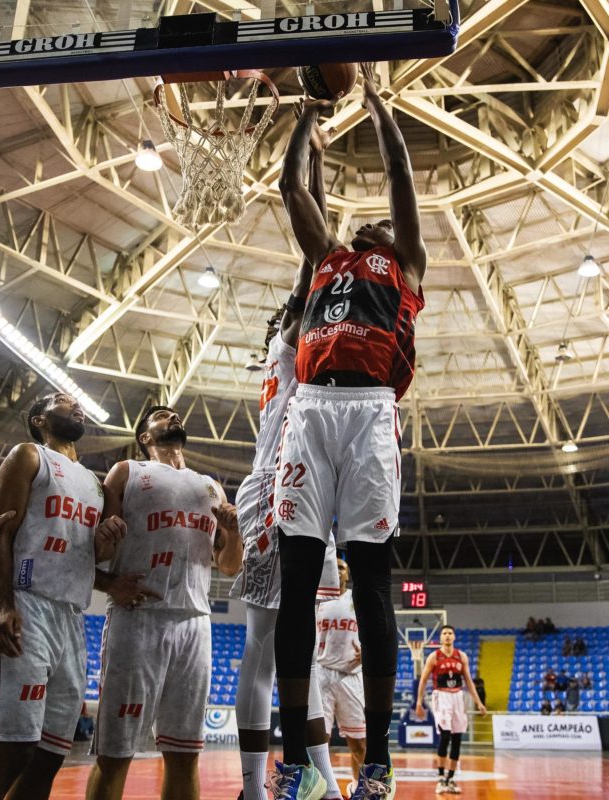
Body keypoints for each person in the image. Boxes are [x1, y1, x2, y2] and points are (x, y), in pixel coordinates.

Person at [273, 60, 426, 799]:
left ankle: (378, 763)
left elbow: (399, 172)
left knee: (370, 582)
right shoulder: (326, 259)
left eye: (381, 224)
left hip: (368, 413)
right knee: (299, 581)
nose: (368, 220)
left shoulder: (406, 264)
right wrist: (310, 109)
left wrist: (376, 102)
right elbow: (293, 187)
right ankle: (296, 758)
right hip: (311, 409)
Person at [231, 113, 342, 800]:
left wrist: (323, 165)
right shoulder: (293, 337)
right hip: (276, 487)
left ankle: (323, 784)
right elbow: (315, 245)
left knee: (297, 651)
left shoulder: (299, 342)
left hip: (302, 490)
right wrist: (309, 133)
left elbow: (320, 246)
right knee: (266, 646)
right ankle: (251, 785)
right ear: (293, 318)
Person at [0, 392, 124, 800]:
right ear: (39, 419)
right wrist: (5, 605)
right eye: (62, 400)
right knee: (14, 751)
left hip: (71, 618)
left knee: (49, 756)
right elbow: (0, 533)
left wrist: (105, 542)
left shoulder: (94, 482)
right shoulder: (28, 456)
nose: (76, 404)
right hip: (26, 604)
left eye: (78, 401)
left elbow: (90, 557)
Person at [86, 405, 243, 800]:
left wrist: (233, 531)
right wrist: (108, 580)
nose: (171, 416)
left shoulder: (211, 487)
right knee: (115, 752)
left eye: (174, 413)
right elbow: (96, 547)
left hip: (195, 621)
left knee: (185, 754)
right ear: (145, 437)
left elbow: (228, 565)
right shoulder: (128, 472)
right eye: (160, 414)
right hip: (139, 617)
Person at [416, 625, 486, 796]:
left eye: (450, 633)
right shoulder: (434, 657)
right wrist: (419, 702)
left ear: (454, 637)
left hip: (458, 697)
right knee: (445, 735)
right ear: (440, 638)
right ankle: (440, 778)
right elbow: (423, 680)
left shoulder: (461, 656)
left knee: (457, 739)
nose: (447, 636)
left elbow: (469, 681)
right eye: (444, 633)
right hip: (441, 696)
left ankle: (451, 779)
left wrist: (479, 702)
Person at [316, 558, 366, 795]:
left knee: (359, 743)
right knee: (319, 740)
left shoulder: (358, 599)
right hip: (322, 674)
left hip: (350, 675)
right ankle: (323, 790)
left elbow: (375, 631)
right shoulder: (317, 598)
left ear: (348, 574)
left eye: (342, 567)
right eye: (333, 567)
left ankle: (359, 788)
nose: (337, 570)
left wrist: (367, 652)